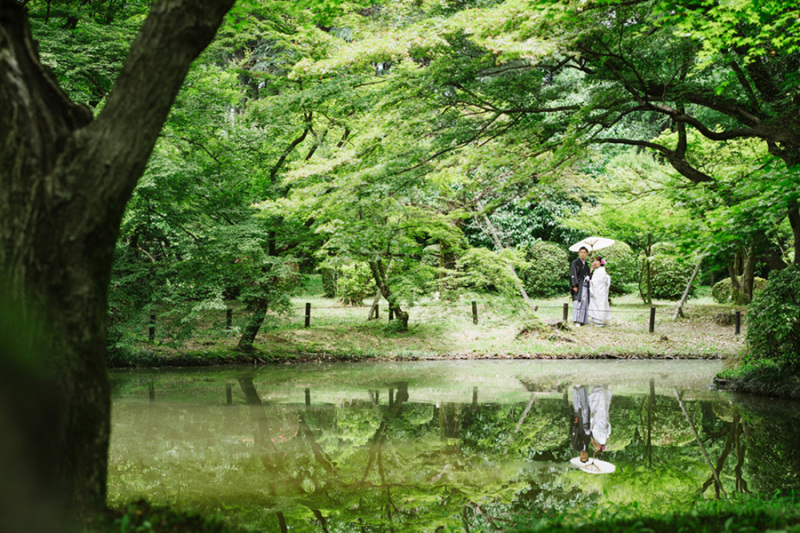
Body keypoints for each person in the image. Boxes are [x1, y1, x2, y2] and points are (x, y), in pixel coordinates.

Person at [571, 385, 613, 463]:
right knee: (586, 408)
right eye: (596, 449)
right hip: (593, 421)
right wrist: (593, 441)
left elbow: (574, 435)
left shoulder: (576, 447)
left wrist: (575, 425)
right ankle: (585, 389)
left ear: (580, 456)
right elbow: (591, 432)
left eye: (582, 457)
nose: (583, 456)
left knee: (579, 408)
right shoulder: (599, 440)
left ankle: (577, 389)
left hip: (580, 425)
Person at [570, 247, 591, 325]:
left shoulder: (586, 264)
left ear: (586, 254)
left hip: (585, 286)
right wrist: (574, 285)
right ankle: (577, 320)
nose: (583, 254)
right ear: (579, 253)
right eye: (581, 252)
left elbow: (588, 274)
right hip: (578, 285)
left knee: (584, 302)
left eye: (584, 252)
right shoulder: (575, 263)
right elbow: (573, 274)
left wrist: (588, 276)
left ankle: (583, 320)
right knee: (578, 301)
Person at [588, 256, 611, 326]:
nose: (595, 262)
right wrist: (592, 268)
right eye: (594, 261)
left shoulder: (602, 270)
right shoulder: (596, 270)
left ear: (601, 263)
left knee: (600, 304)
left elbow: (601, 280)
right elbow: (589, 275)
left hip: (600, 290)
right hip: (595, 290)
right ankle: (596, 319)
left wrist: (593, 282)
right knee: (595, 304)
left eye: (597, 261)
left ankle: (601, 320)